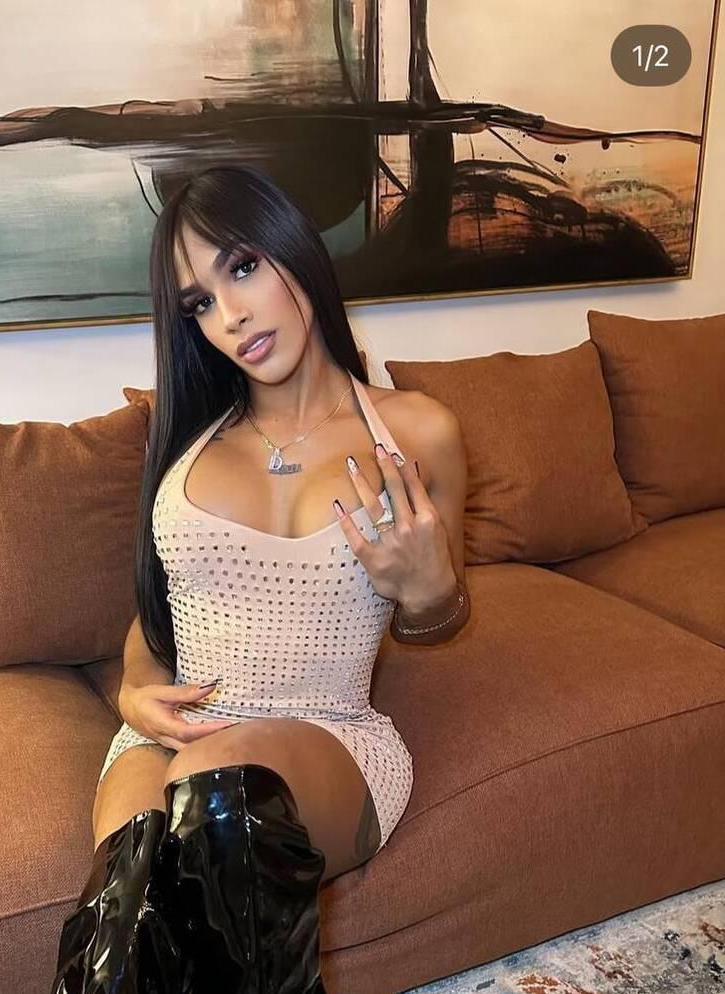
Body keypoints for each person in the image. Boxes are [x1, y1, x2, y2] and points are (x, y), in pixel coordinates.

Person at [51, 164, 470, 993]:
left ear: (294, 248)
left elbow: (439, 619)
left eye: (241, 267)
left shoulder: (418, 432)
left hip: (327, 739)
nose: (230, 315)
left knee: (217, 798)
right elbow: (158, 614)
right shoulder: (188, 443)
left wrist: (427, 590)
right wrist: (134, 692)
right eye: (198, 303)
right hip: (168, 739)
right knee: (122, 925)